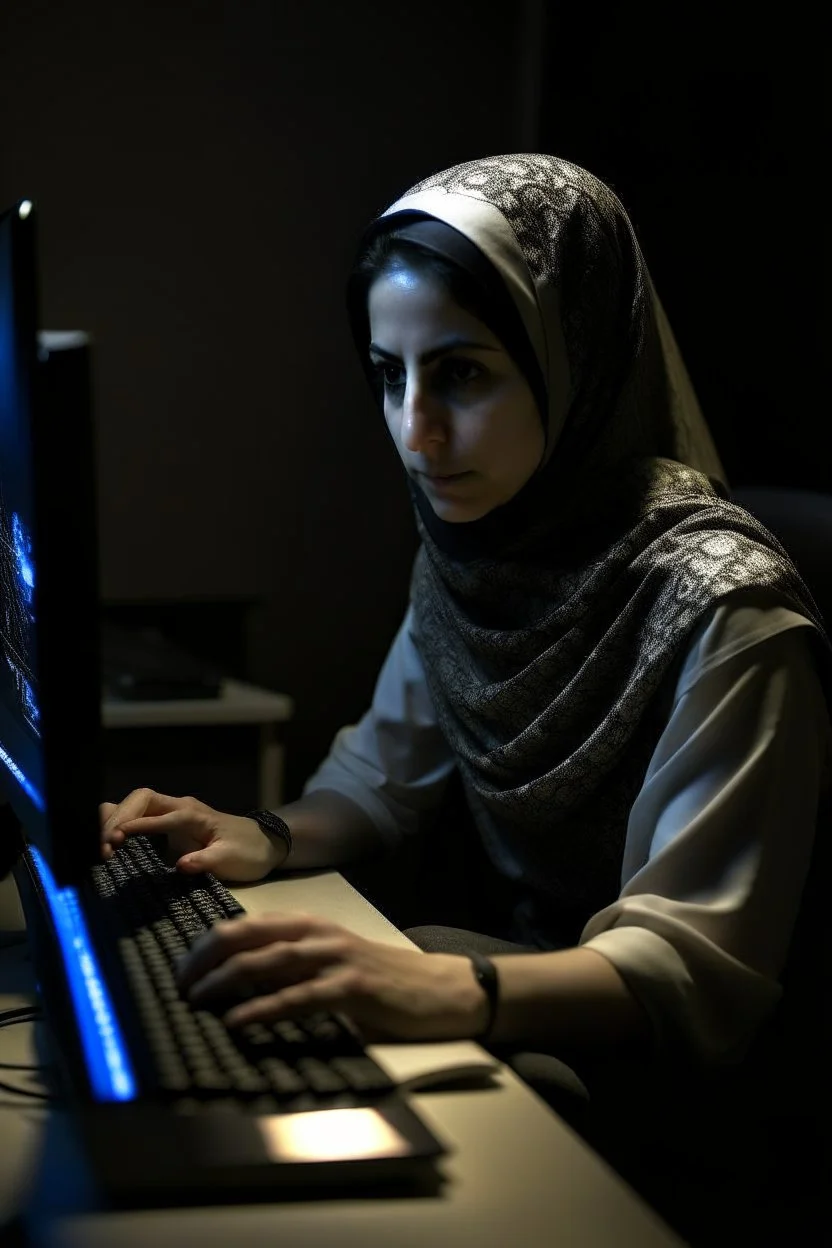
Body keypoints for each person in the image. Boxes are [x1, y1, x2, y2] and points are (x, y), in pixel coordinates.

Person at [100, 155, 830, 1176]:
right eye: (389, 377)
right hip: (524, 999)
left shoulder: (723, 604)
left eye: (463, 373)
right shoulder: (477, 541)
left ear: (572, 356)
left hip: (687, 1100)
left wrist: (444, 988)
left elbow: (689, 967)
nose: (415, 432)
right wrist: (258, 835)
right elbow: (379, 780)